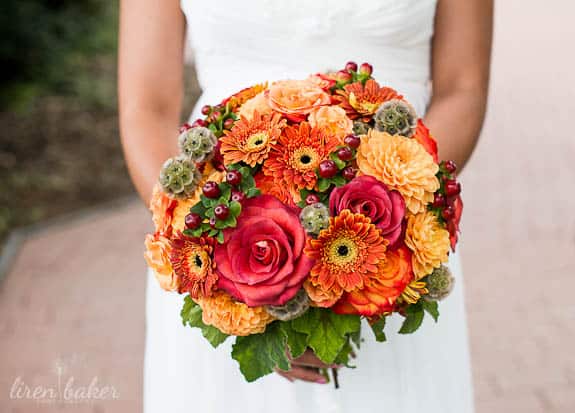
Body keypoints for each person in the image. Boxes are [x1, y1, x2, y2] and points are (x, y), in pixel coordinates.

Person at [119, 0, 493, 411]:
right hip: (221, 237)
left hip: (395, 245)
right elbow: (146, 109)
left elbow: (463, 90)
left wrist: (394, 216)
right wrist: (219, 253)